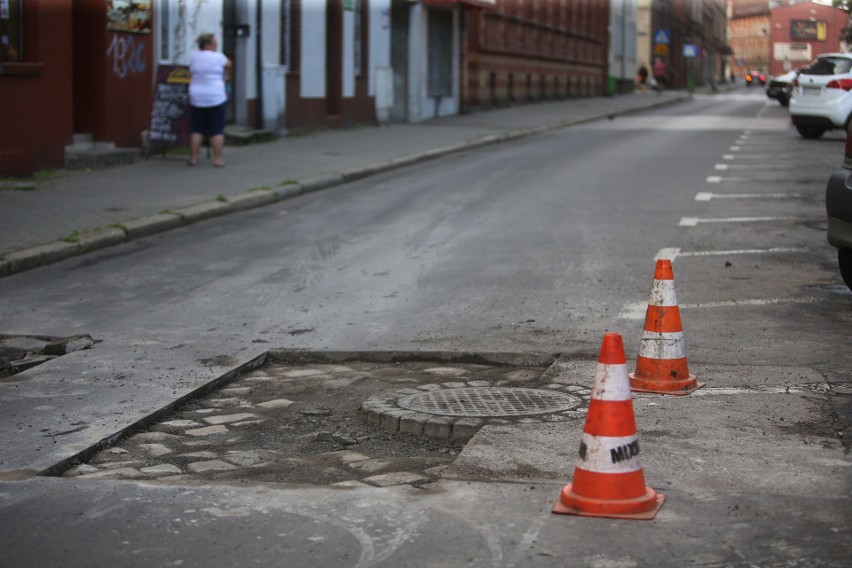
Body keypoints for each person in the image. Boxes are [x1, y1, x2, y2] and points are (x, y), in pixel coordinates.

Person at [188, 33, 231, 167]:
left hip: (196, 96)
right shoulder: (218, 57)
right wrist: (227, 76)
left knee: (197, 129)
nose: (216, 45)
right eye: (215, 42)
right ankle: (217, 159)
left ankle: (193, 158)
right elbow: (229, 64)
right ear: (209, 44)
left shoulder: (194, 56)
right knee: (216, 130)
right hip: (215, 96)